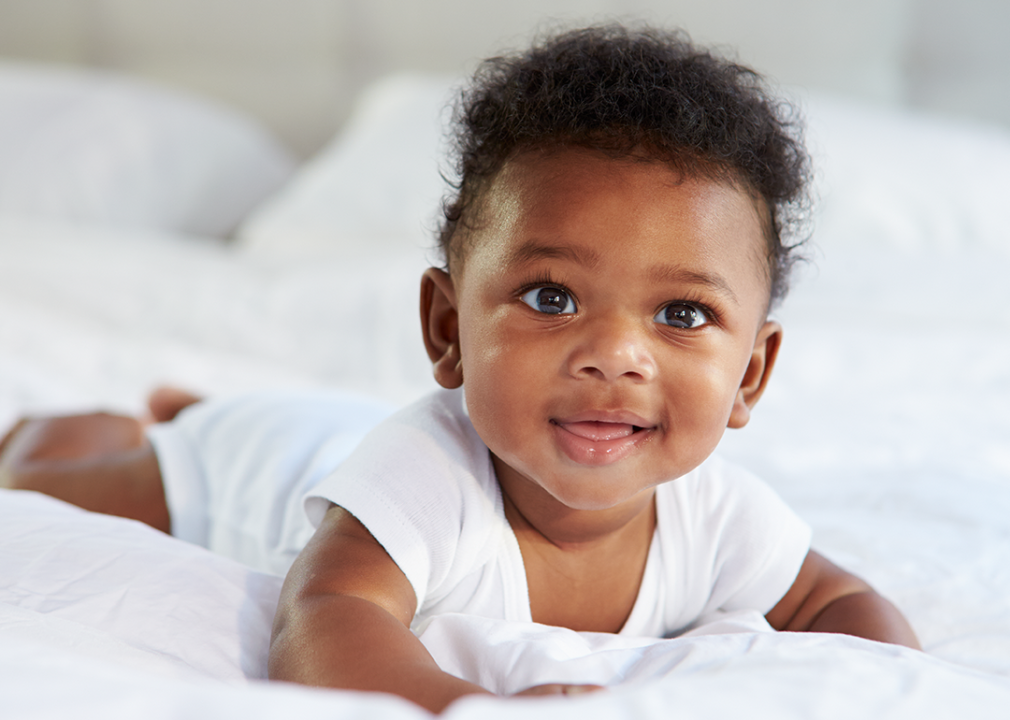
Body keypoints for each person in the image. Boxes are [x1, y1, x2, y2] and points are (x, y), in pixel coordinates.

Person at [0, 24, 920, 714]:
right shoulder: (425, 478)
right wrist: (462, 707)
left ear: (752, 376)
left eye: (682, 313)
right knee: (46, 481)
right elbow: (327, 616)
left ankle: (194, 404)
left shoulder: (718, 517)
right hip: (250, 466)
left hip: (330, 429)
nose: (613, 355)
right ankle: (106, 422)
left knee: (295, 422)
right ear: (447, 327)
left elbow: (838, 603)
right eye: (552, 297)